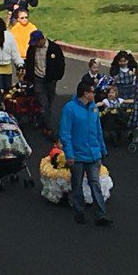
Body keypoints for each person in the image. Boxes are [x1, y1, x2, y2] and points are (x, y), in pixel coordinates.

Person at [58, 82, 112, 226]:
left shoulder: (93, 108)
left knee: (95, 184)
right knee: (77, 185)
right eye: (92, 92)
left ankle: (101, 214)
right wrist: (69, 154)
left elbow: (98, 130)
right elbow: (65, 133)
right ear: (85, 93)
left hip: (93, 154)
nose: (94, 95)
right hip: (78, 155)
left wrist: (102, 149)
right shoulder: (69, 109)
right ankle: (79, 212)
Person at [26, 31, 65, 133]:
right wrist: (29, 78)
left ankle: (43, 120)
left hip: (50, 79)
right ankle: (48, 127)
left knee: (49, 102)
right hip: (38, 78)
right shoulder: (32, 49)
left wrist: (56, 77)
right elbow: (29, 63)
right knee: (43, 103)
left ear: (42, 40)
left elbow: (60, 64)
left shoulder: (54, 48)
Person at [0, 15, 24, 89]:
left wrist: (20, 64)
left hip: (7, 67)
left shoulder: (9, 36)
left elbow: (14, 52)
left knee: (8, 90)